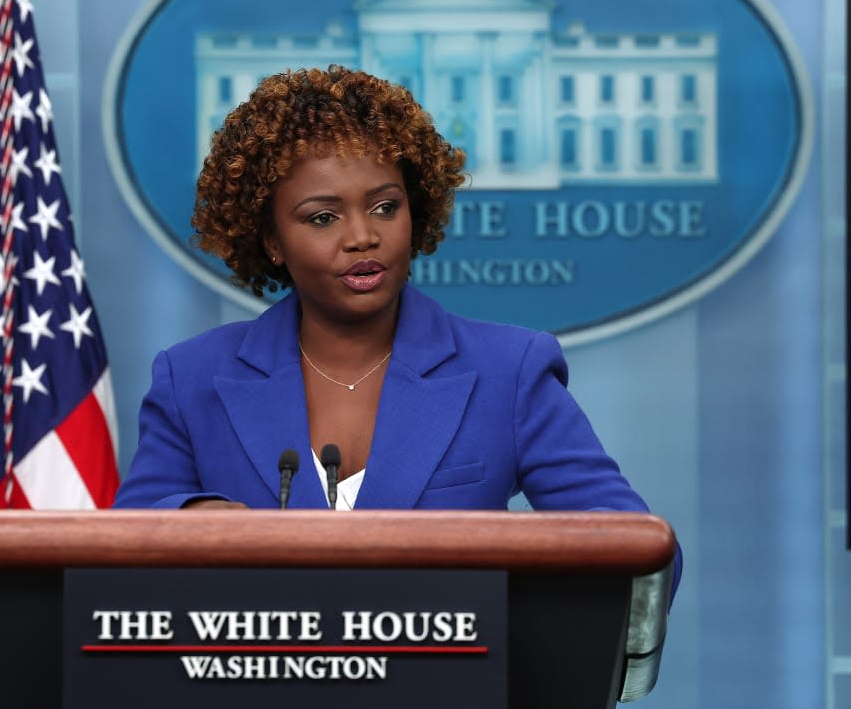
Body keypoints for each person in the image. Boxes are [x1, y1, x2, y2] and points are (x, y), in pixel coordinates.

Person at [113, 65, 679, 594]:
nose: (362, 236)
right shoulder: (192, 379)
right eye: (322, 217)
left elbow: (637, 545)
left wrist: (518, 585)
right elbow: (123, 547)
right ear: (270, 241)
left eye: (385, 207)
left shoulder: (509, 369)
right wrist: (191, 522)